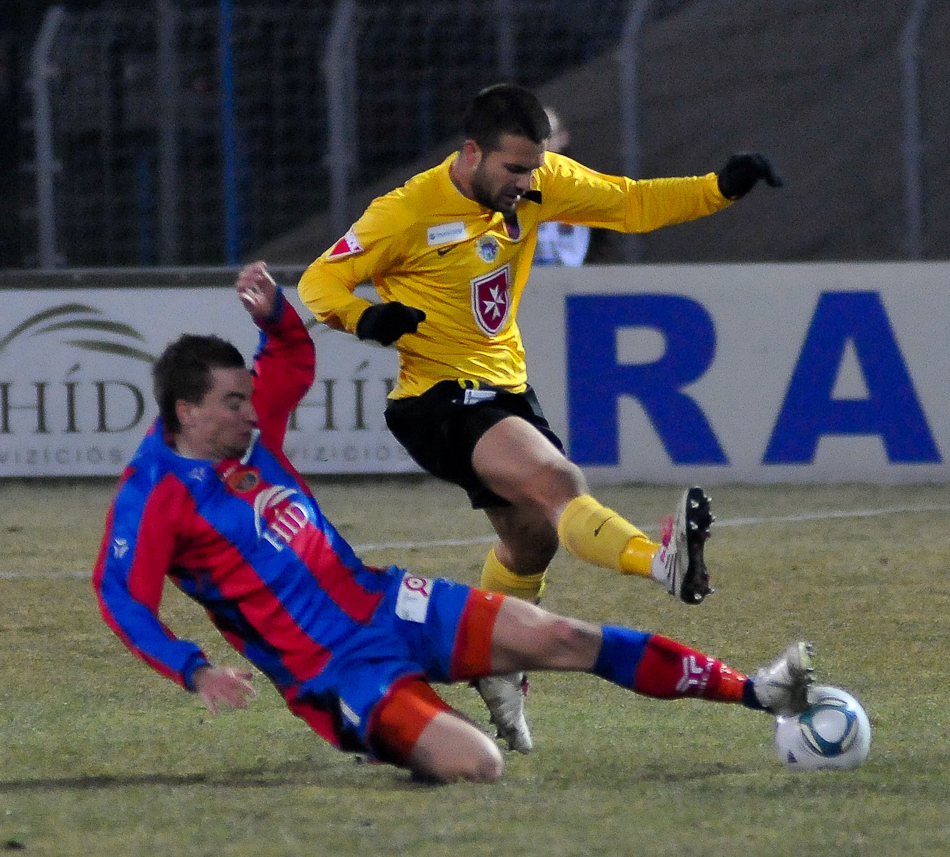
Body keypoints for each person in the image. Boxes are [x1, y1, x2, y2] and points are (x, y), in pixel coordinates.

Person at [93, 262, 818, 783]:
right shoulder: (154, 494)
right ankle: (412, 722)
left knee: (566, 638)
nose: (252, 412)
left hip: (386, 602)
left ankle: (756, 691)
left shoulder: (253, 437)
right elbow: (121, 597)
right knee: (479, 764)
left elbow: (289, 356)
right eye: (233, 403)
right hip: (336, 671)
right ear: (187, 411)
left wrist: (275, 315)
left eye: (249, 398)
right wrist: (193, 670)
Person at [296, 83, 782, 753]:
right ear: (472, 153)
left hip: (506, 390)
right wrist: (365, 316)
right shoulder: (405, 211)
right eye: (515, 169)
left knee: (529, 545)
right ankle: (661, 562)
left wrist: (720, 188)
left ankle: (496, 667)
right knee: (557, 481)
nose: (527, 184)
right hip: (435, 399)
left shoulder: (537, 182)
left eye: (534, 168)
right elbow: (319, 281)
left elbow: (630, 203)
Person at [531, 107, 611, 266]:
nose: (542, 144)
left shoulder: (587, 187)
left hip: (574, 277)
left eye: (548, 136)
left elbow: (603, 244)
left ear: (563, 138)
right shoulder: (505, 189)